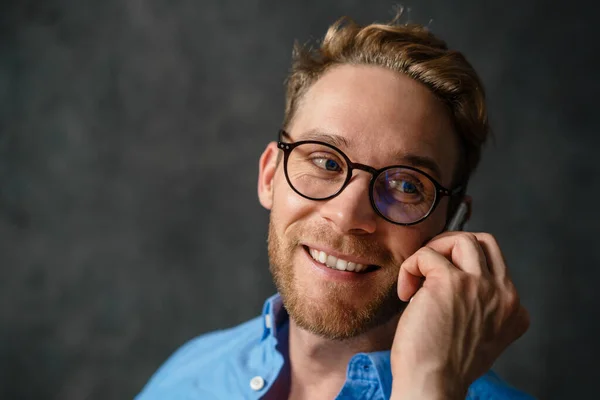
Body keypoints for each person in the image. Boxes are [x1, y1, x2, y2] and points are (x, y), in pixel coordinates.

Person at [136, 12, 532, 400]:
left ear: (451, 223)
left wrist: (429, 384)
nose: (347, 216)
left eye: (407, 185)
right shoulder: (189, 374)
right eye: (326, 162)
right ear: (270, 176)